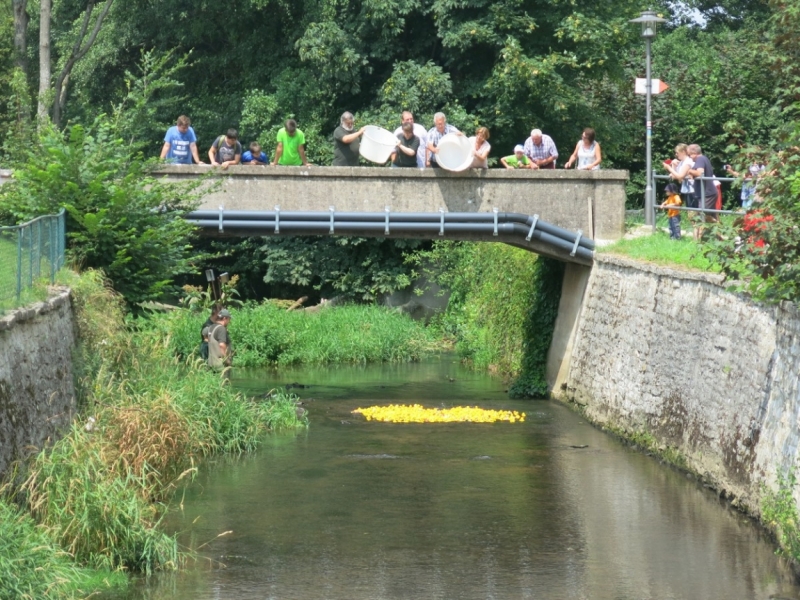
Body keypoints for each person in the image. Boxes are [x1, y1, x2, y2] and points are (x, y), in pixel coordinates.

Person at [687, 144, 718, 223]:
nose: (690, 157)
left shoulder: (700, 159)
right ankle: (718, 232)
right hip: (708, 193)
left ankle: (700, 234)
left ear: (694, 153)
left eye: (690, 155)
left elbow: (700, 173)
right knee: (711, 217)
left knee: (701, 218)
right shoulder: (704, 159)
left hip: (707, 194)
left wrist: (689, 171)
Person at [663, 143, 694, 209]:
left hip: (692, 189)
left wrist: (669, 168)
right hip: (687, 189)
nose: (676, 155)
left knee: (693, 212)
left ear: (683, 152)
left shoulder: (688, 161)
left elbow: (680, 176)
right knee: (690, 212)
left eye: (677, 153)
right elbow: (674, 176)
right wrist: (673, 165)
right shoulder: (682, 162)